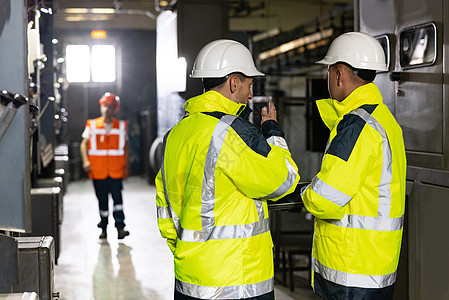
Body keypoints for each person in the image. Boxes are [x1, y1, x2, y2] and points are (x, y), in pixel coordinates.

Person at [155, 39, 300, 300]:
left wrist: (190, 253)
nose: (250, 95)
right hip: (237, 283)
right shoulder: (233, 132)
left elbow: (165, 210)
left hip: (190, 279)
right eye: (249, 85)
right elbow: (284, 179)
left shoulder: (175, 135)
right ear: (234, 82)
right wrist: (273, 133)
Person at [300, 32, 407, 299]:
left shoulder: (355, 126)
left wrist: (304, 193)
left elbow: (325, 198)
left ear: (338, 75)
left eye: (328, 71)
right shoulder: (384, 119)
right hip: (374, 266)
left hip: (350, 269)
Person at [80, 92, 130, 240]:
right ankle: (104, 228)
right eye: (105, 106)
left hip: (115, 171)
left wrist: (126, 167)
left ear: (115, 109)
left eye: (110, 106)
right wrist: (85, 161)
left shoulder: (120, 126)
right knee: (102, 200)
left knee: (118, 201)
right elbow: (83, 144)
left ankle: (120, 227)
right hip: (98, 171)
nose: (107, 109)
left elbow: (126, 147)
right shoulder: (92, 125)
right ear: (101, 107)